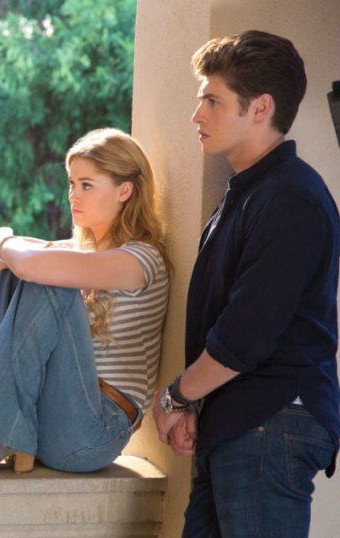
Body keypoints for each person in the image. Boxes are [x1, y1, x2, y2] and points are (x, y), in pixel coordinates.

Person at [153, 30, 340, 537]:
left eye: (212, 101)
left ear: (260, 108)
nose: (197, 115)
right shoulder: (251, 194)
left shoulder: (289, 198)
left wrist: (176, 397)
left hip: (270, 422)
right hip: (240, 425)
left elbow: (245, 336)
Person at [0, 128, 169, 476]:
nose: (73, 196)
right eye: (72, 184)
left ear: (124, 191)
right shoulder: (83, 252)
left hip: (95, 432)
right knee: (30, 273)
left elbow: (25, 261)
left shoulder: (140, 260)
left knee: (46, 277)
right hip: (58, 413)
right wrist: (8, 244)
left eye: (87, 185)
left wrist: (6, 238)